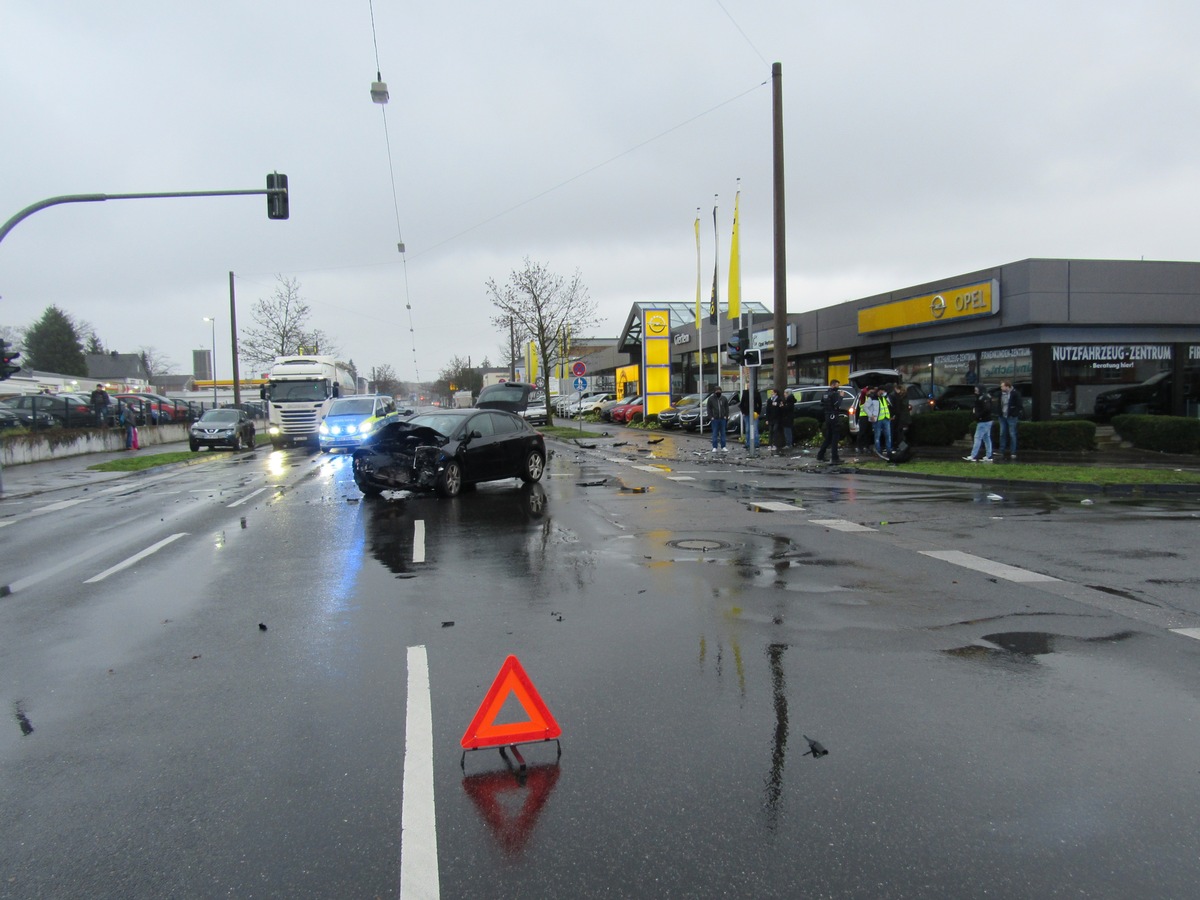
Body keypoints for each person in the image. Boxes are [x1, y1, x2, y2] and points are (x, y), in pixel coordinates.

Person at [815, 380, 843, 464]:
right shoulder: (834, 394)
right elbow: (837, 404)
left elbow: (822, 404)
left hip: (827, 416)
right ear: (833, 385)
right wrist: (841, 396)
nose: (838, 387)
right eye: (837, 385)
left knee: (828, 437)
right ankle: (835, 457)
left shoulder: (825, 394)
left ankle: (820, 455)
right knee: (835, 437)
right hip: (833, 416)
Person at [965, 385, 995, 462]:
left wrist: (978, 415)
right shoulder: (985, 396)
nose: (975, 391)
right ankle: (989, 455)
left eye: (976, 390)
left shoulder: (983, 398)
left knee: (977, 438)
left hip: (983, 421)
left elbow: (986, 409)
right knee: (986, 438)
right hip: (986, 420)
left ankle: (973, 455)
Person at [997, 381, 1023, 460]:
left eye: (1002, 386)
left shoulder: (1015, 394)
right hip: (1003, 416)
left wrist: (1013, 414)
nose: (1001, 388)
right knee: (1002, 433)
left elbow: (1019, 405)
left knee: (1012, 434)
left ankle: (1013, 452)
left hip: (1011, 417)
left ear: (1007, 387)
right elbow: (999, 404)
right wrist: (999, 413)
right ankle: (1001, 451)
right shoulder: (1001, 394)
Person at [865, 386, 893, 456]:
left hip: (886, 419)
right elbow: (865, 407)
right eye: (883, 391)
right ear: (879, 391)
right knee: (877, 436)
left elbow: (889, 406)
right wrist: (870, 415)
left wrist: (891, 415)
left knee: (888, 436)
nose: (884, 392)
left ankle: (889, 452)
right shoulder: (872, 398)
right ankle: (878, 452)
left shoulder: (885, 397)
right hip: (877, 420)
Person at [706, 386, 729, 452]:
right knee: (715, 433)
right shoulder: (711, 399)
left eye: (719, 390)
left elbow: (726, 408)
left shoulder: (724, 398)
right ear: (714, 391)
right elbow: (709, 408)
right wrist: (711, 417)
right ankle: (714, 447)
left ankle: (723, 446)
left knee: (723, 433)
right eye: (717, 391)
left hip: (722, 418)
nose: (718, 392)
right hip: (715, 419)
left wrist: (726, 416)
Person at [852, 386, 873, 455]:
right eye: (870, 391)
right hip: (863, 417)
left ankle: (867, 447)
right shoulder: (863, 397)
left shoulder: (869, 398)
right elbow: (858, 409)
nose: (871, 393)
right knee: (862, 433)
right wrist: (857, 419)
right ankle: (859, 447)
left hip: (869, 417)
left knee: (868, 433)